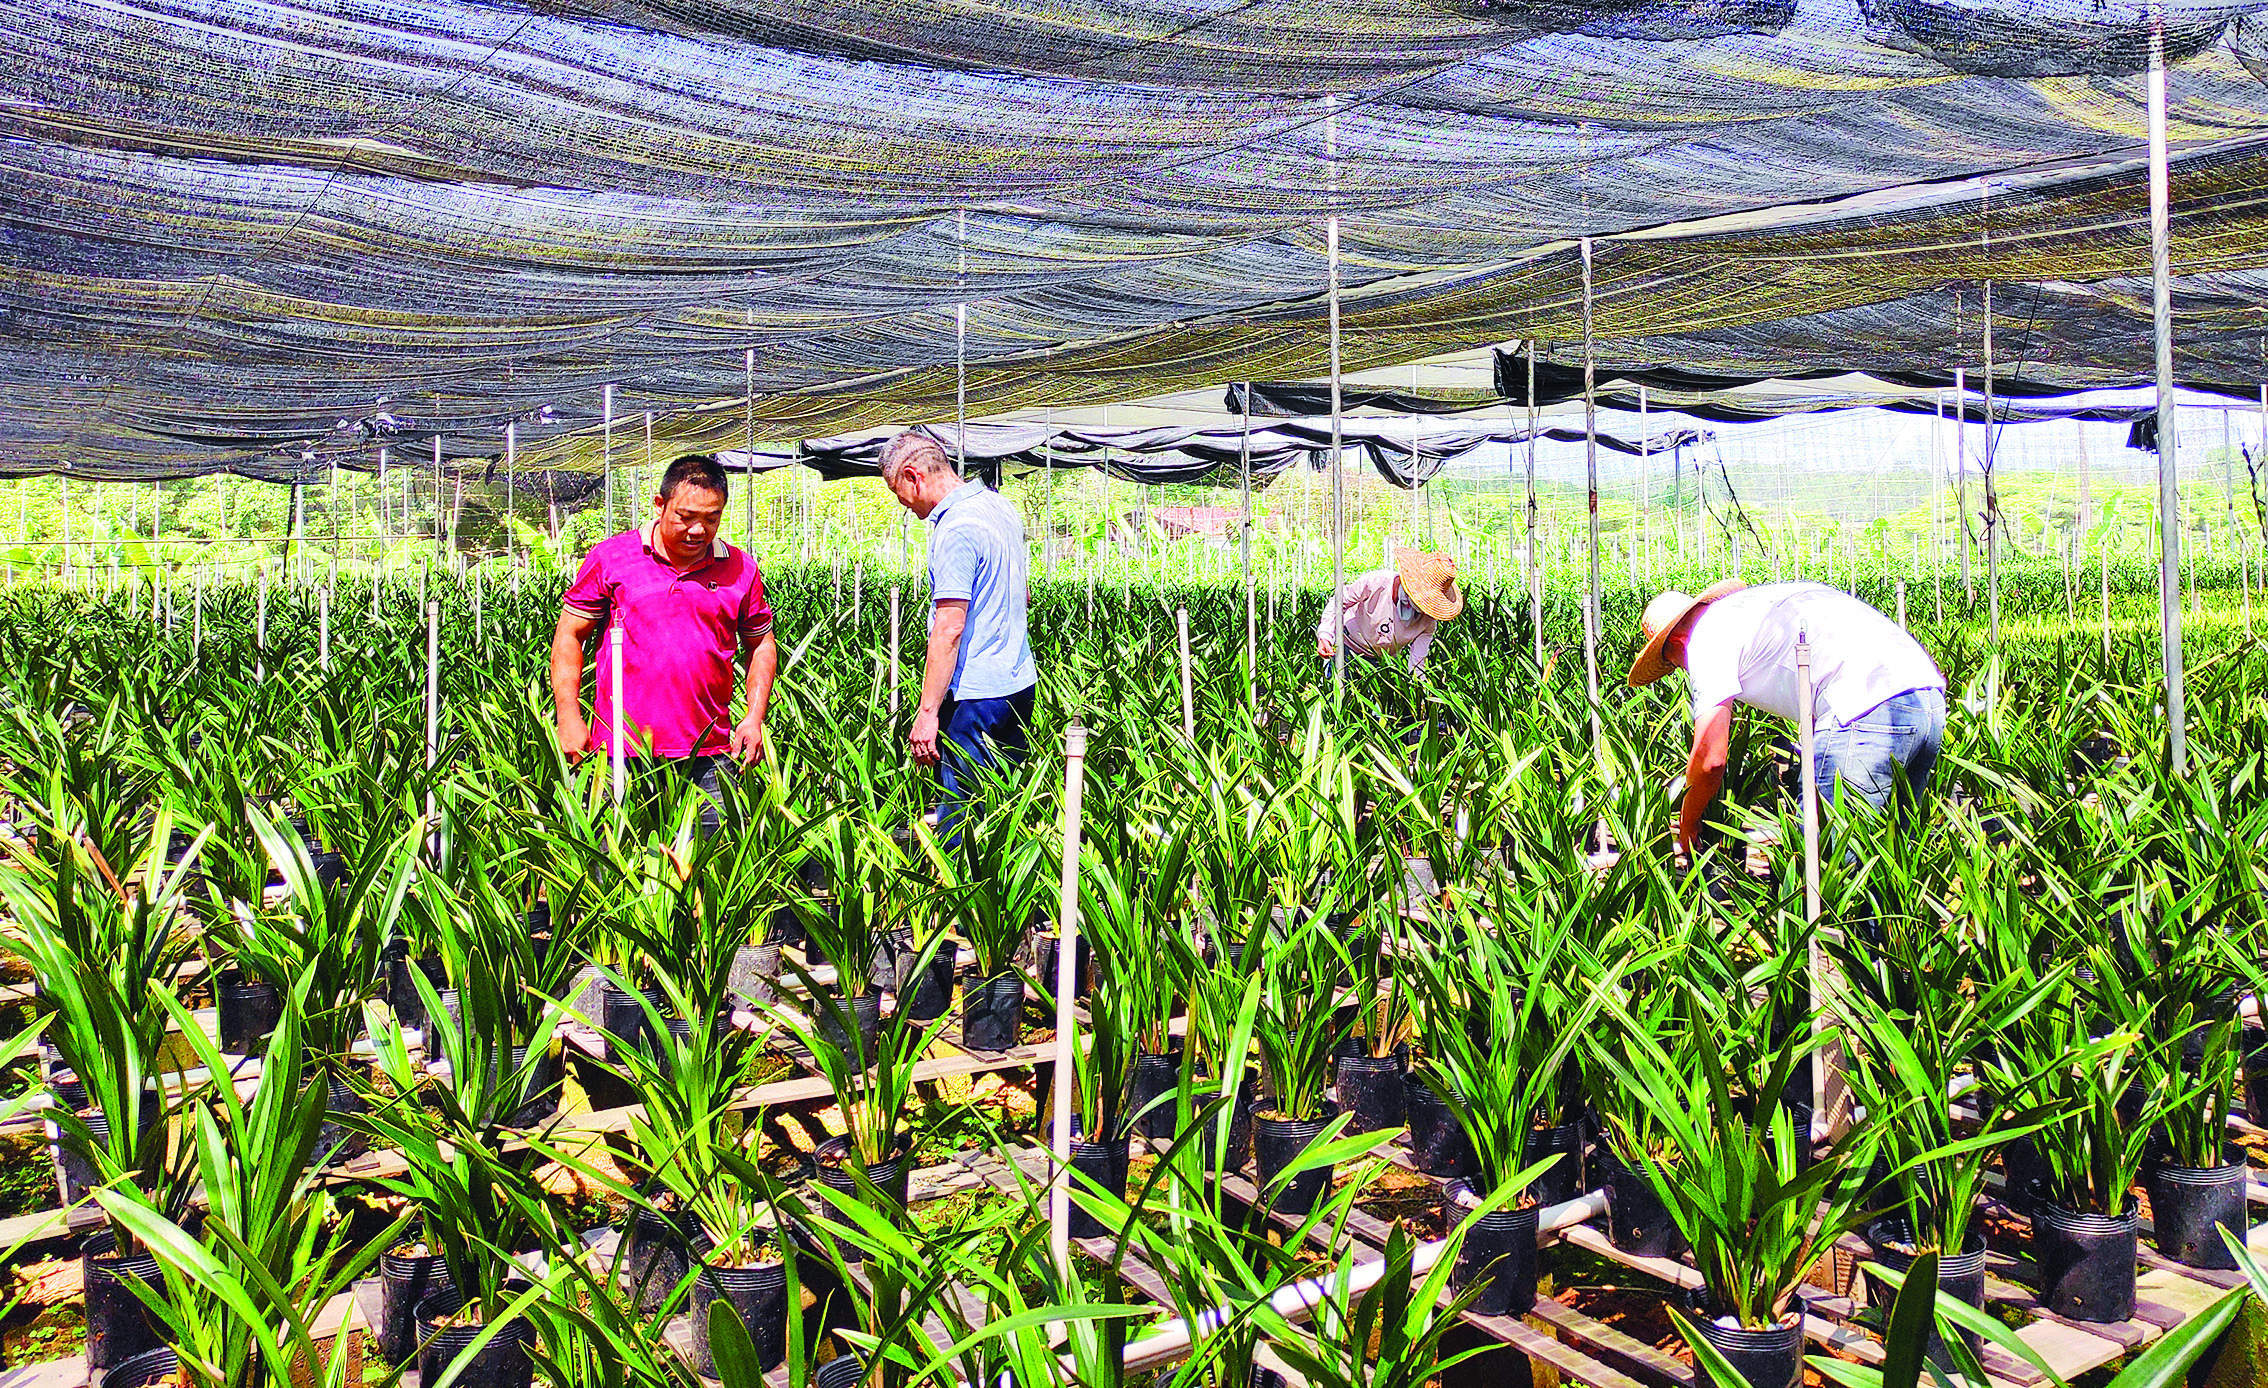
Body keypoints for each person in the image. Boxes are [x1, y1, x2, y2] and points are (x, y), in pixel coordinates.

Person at [1627, 579, 1947, 858]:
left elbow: (1711, 757)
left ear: (1677, 643)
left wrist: (1689, 819)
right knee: (1893, 856)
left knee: (1832, 862)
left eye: (1669, 662)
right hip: (1927, 698)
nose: (1678, 668)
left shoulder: (1705, 640)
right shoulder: (1750, 610)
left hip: (1863, 706)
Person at [551, 454, 778, 810]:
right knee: (612, 860)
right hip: (616, 752)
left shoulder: (740, 568)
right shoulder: (612, 557)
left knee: (707, 863)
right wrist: (568, 716)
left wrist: (754, 717)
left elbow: (761, 644)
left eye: (711, 518)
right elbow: (570, 635)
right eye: (685, 517)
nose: (698, 530)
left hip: (710, 752)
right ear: (660, 505)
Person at [879, 432, 1036, 842]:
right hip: (1018, 683)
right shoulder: (999, 506)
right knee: (1005, 810)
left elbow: (949, 626)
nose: (907, 509)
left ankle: (960, 901)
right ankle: (1005, 897)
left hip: (976, 693)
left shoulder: (956, 528)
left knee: (962, 816)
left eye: (901, 496)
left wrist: (927, 713)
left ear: (913, 477)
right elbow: (1024, 594)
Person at [1316, 548, 1463, 677]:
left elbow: (1418, 662)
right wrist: (1325, 635)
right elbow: (1339, 601)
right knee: (1338, 700)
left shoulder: (1428, 621)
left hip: (1383, 662)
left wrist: (1420, 693)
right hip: (1347, 647)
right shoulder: (1376, 583)